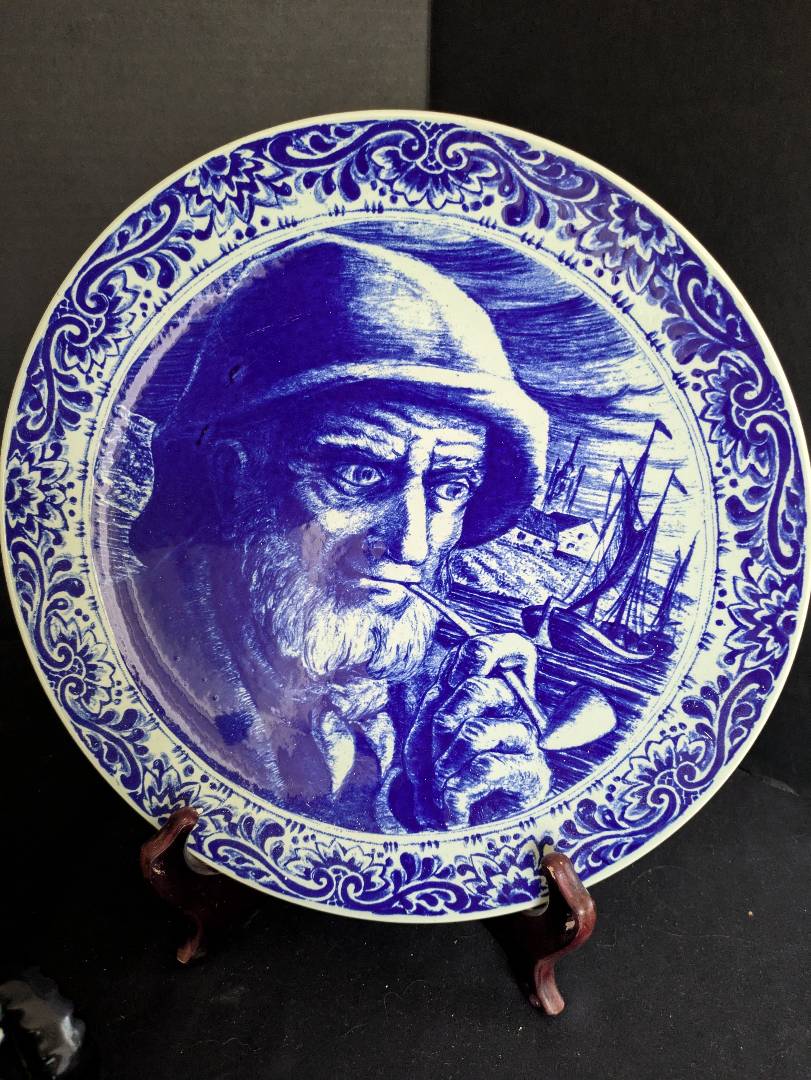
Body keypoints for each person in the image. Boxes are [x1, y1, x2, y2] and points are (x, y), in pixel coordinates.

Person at [126, 233, 611, 832]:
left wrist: (450, 814)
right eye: (358, 473)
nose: (412, 544)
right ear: (233, 479)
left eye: (450, 486)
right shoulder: (134, 654)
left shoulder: (434, 700)